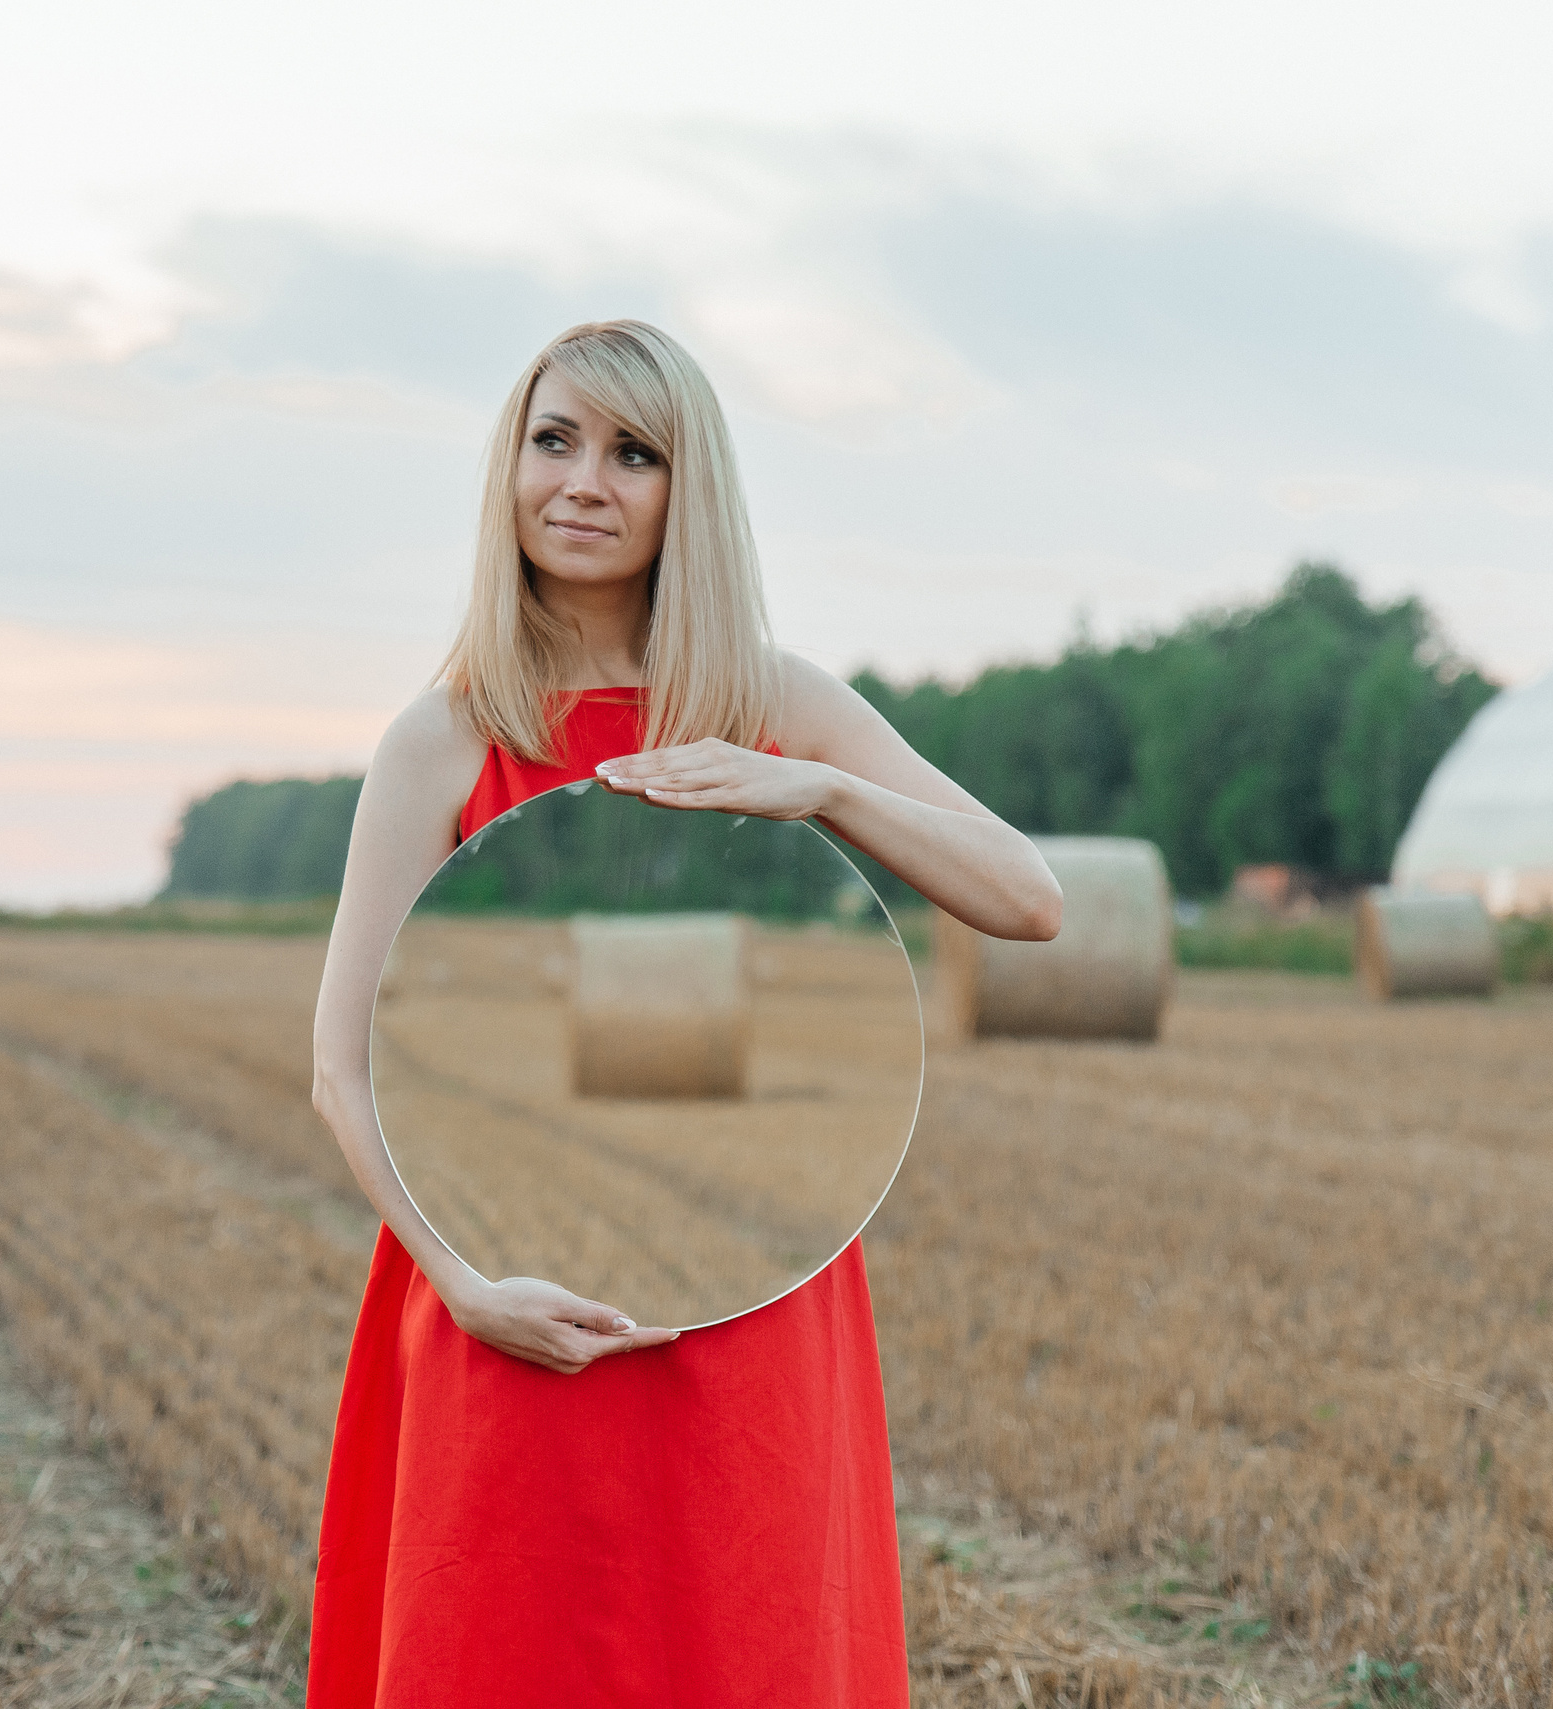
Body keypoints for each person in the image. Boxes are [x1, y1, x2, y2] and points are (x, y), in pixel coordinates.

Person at [306, 320, 1062, 1706]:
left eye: (633, 452)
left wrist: (826, 789)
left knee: (745, 1653)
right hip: (508, 1305)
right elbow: (343, 1072)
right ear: (509, 470)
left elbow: (1030, 898)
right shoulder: (447, 735)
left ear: (686, 489)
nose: (585, 481)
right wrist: (466, 1285)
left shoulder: (776, 704)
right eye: (556, 440)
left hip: (747, 1307)